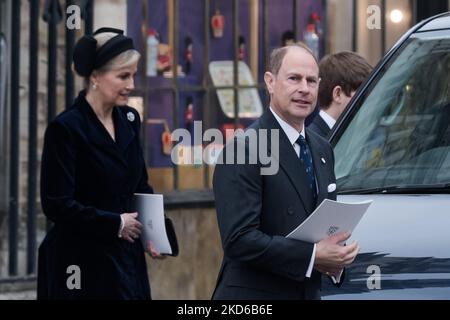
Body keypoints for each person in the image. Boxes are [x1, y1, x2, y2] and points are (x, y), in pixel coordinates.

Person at [212, 44, 360, 300]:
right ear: (270, 82)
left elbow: (322, 225)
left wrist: (336, 258)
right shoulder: (244, 148)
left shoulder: (322, 148)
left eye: (312, 81)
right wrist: (314, 256)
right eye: (294, 78)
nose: (304, 88)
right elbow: (239, 240)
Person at [37, 27, 165, 300]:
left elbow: (139, 184)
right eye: (123, 76)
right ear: (95, 77)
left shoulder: (130, 120)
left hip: (126, 263)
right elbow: (56, 204)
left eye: (133, 75)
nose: (131, 84)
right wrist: (114, 223)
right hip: (80, 263)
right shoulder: (66, 128)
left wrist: (154, 233)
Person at [308, 51, 372, 138]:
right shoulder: (312, 141)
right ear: (337, 94)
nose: (367, 100)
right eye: (361, 94)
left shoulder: (350, 133)